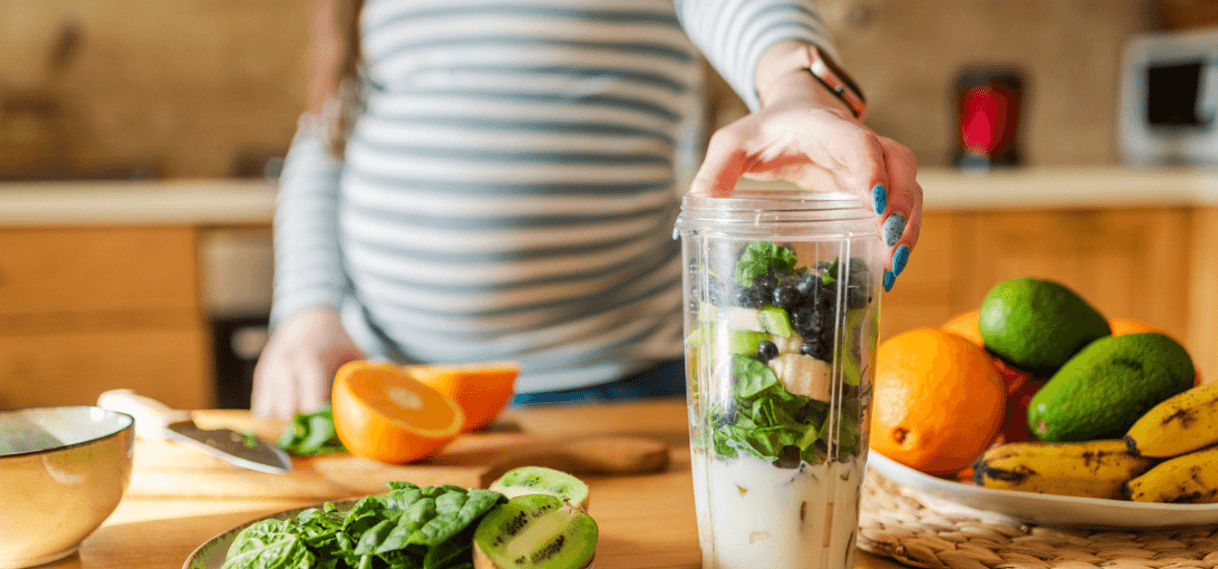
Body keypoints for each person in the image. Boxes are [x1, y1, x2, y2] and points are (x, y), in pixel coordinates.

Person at [251, 0, 922, 418]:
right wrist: (307, 310)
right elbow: (327, 136)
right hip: (395, 389)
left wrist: (791, 83)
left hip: (611, 387)